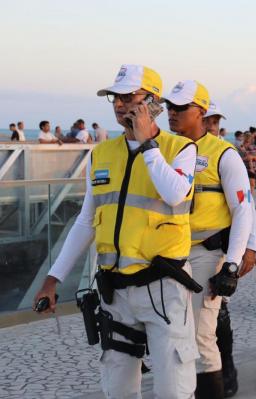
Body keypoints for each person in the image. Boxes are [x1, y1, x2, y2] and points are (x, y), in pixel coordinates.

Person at [33, 64, 201, 397]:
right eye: (115, 98)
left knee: (174, 388)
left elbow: (175, 192)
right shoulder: (102, 154)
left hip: (164, 289)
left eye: (129, 97)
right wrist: (53, 278)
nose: (120, 105)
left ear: (153, 102)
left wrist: (146, 144)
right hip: (116, 292)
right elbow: (86, 220)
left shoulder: (180, 149)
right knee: (118, 387)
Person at [163, 79, 256, 397]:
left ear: (201, 112)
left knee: (202, 335)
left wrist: (233, 262)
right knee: (172, 333)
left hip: (206, 252)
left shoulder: (223, 154)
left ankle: (217, 385)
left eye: (180, 108)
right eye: (169, 107)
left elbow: (243, 208)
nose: (171, 113)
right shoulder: (163, 149)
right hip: (168, 254)